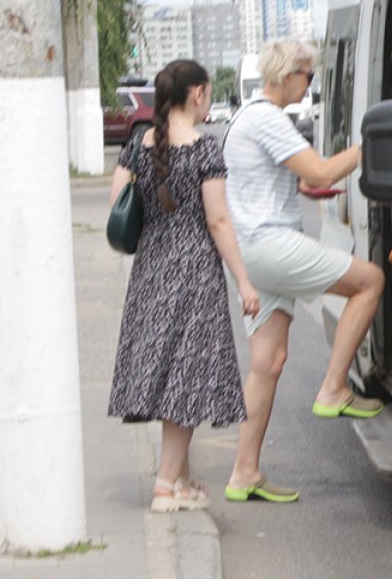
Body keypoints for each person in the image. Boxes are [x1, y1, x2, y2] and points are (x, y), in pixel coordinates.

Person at [223, 38, 385, 504]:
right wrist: (367, 145)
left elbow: (277, 180)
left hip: (253, 252)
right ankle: (334, 388)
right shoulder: (269, 120)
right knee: (370, 281)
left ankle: (244, 473)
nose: (310, 84)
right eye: (308, 75)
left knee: (268, 364)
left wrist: (306, 189)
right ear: (287, 73)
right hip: (273, 245)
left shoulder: (243, 117)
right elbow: (322, 172)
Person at [107, 59, 261, 513]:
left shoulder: (137, 144)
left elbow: (118, 205)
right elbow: (217, 220)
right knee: (186, 380)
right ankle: (164, 486)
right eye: (208, 92)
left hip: (151, 270)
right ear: (196, 93)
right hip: (194, 274)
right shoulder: (204, 149)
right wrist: (245, 281)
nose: (208, 100)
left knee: (169, 374)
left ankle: (184, 480)